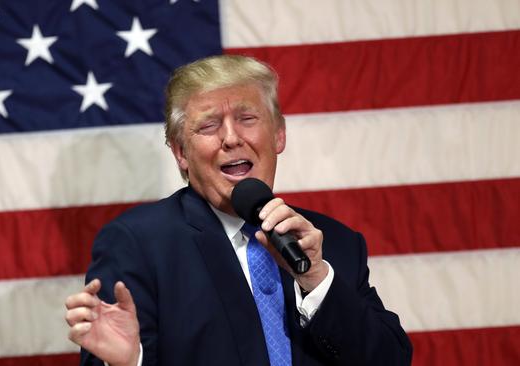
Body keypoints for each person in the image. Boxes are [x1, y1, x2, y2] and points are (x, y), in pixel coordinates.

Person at [64, 55, 413, 366]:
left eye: (247, 118)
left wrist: (316, 280)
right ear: (181, 153)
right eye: (209, 125)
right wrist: (130, 364)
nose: (231, 138)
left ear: (278, 134)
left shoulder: (330, 243)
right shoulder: (139, 244)